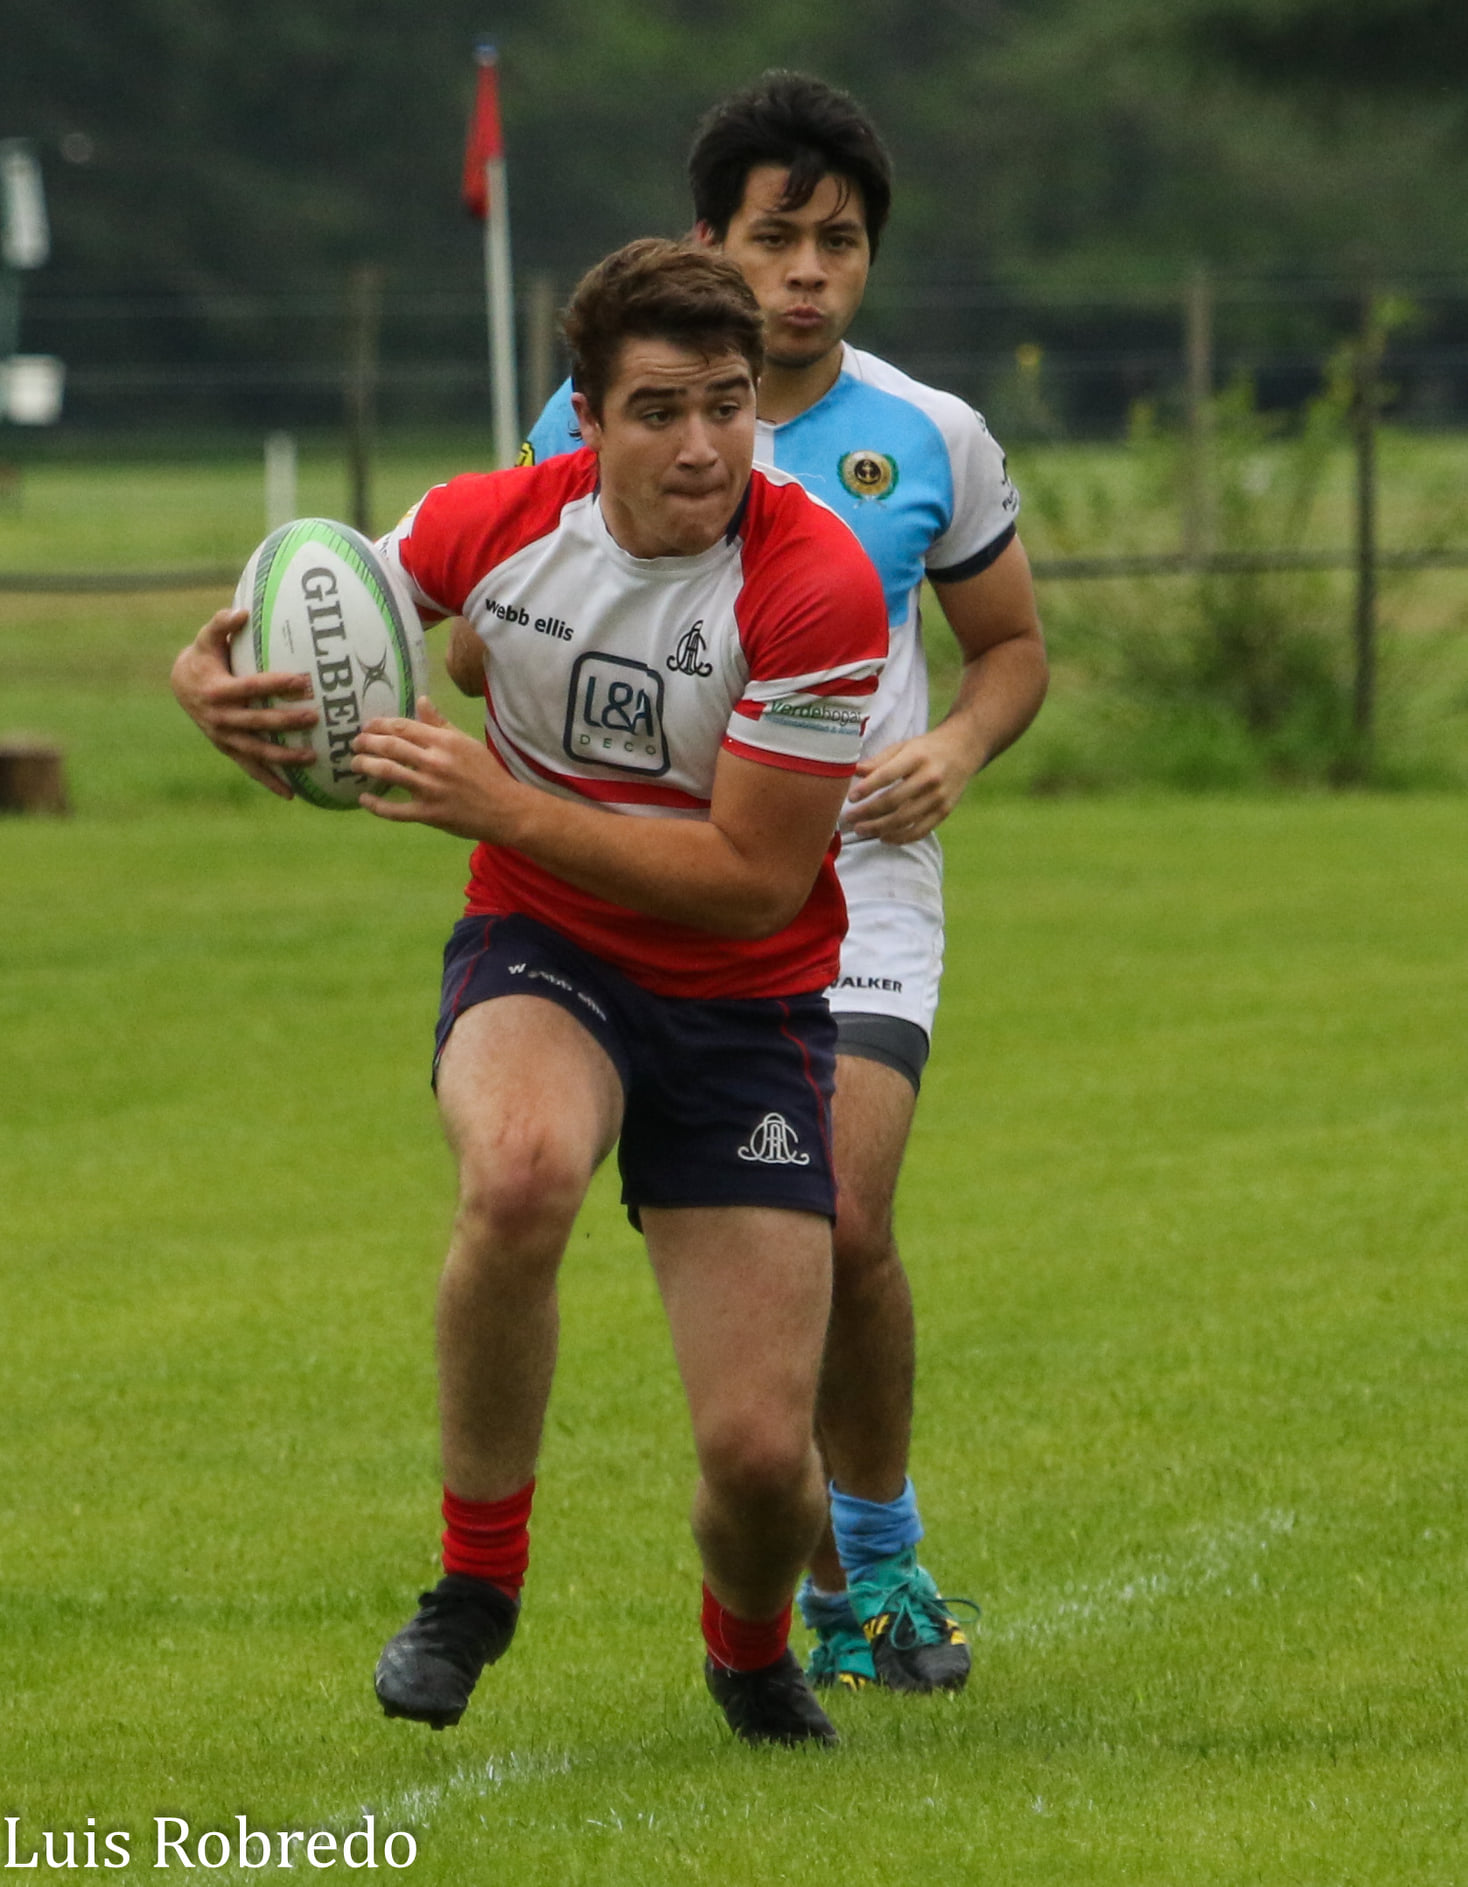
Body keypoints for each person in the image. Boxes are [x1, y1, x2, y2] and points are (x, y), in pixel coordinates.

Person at [170, 238, 889, 1748]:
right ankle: (474, 1587)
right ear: (586, 413)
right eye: (658, 409)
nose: (701, 444)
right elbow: (324, 608)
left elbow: (758, 880)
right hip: (545, 949)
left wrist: (501, 803)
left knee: (764, 1464)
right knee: (516, 1174)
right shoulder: (496, 522)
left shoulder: (816, 582)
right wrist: (218, 685)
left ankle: (752, 1649)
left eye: (728, 404)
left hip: (747, 1004)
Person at [516, 71, 1048, 1696]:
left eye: (840, 242)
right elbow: (511, 616)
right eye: (777, 237)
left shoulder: (928, 436)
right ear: (710, 242)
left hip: (863, 886)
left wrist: (954, 751)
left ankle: (878, 1563)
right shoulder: (587, 426)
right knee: (781, 1229)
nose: (809, 270)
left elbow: (1011, 650)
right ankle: (833, 1590)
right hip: (668, 888)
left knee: (850, 1209)